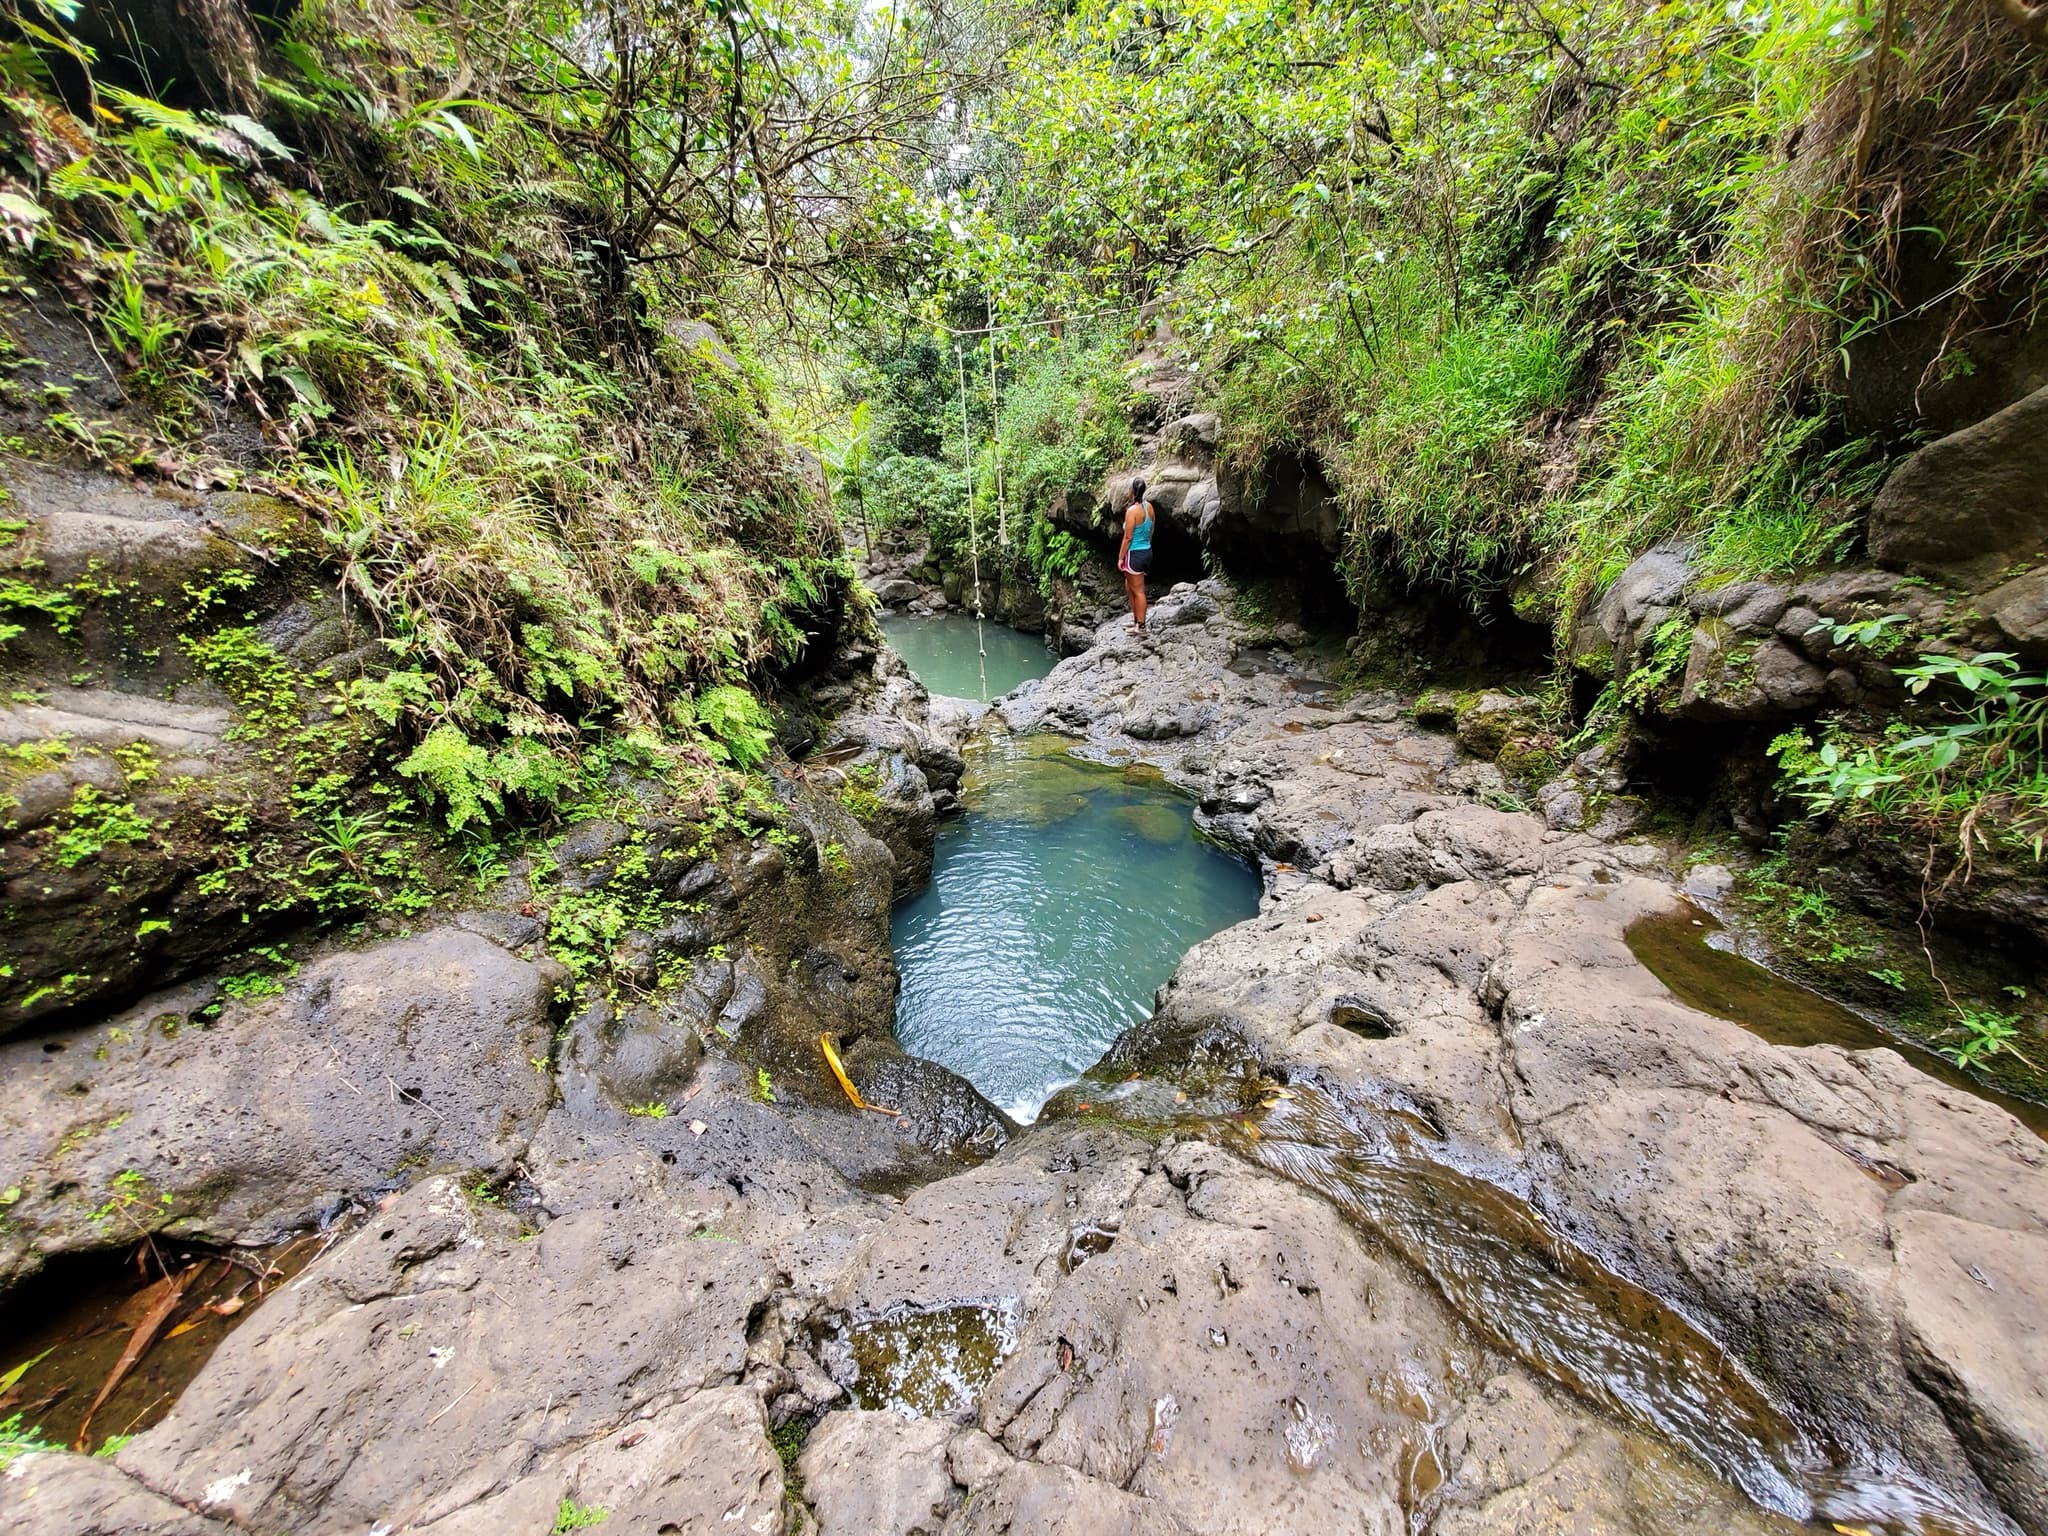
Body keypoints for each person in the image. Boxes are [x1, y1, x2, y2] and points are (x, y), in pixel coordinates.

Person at [1118, 478, 1155, 634]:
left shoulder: (1132, 511)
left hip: (1134, 553)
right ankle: (1135, 620)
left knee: (1138, 591)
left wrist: (1121, 558)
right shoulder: (1149, 507)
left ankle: (1140, 625)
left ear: (1132, 492)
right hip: (1146, 551)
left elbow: (1128, 537)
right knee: (1129, 586)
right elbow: (1152, 529)